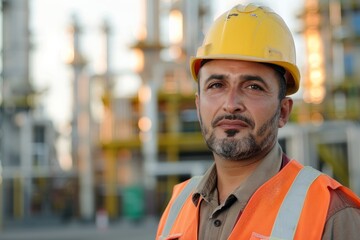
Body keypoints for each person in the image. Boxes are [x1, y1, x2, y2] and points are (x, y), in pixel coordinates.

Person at [156, 3, 360, 240]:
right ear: (198, 105)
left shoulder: (332, 214)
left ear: (283, 111)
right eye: (216, 85)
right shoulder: (178, 205)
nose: (231, 104)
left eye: (253, 86)